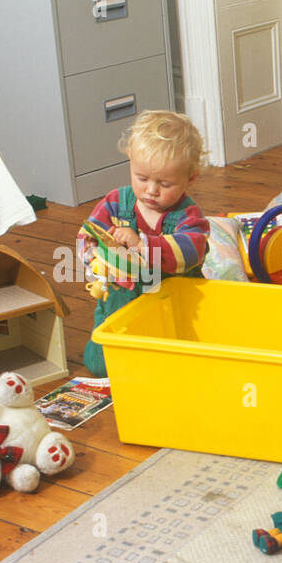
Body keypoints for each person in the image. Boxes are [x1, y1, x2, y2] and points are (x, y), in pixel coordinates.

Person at [78, 109, 210, 377]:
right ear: (130, 165)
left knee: (178, 363)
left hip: (171, 305)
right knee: (97, 363)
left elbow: (192, 250)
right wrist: (93, 257)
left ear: (190, 179)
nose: (151, 190)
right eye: (142, 178)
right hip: (121, 301)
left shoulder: (188, 214)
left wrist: (142, 245)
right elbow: (87, 233)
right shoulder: (116, 202)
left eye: (165, 183)